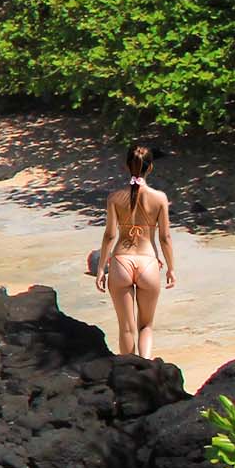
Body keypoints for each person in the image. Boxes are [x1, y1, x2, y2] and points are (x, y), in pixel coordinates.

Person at [94, 146, 176, 359]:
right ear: (151, 168)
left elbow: (110, 235)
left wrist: (101, 268)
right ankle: (146, 369)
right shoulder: (159, 198)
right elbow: (165, 237)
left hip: (121, 261)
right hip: (148, 262)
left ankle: (128, 370)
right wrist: (171, 268)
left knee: (126, 328)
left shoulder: (115, 198)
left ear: (125, 166)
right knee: (146, 326)